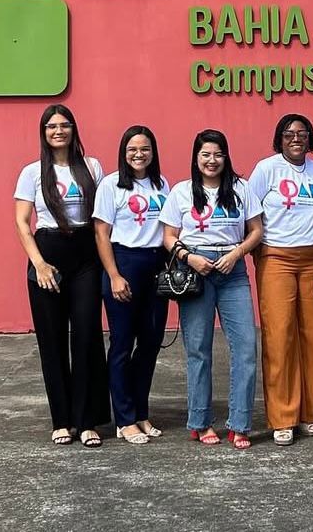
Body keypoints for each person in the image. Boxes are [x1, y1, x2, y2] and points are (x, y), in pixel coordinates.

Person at [159, 129, 265, 450]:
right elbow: (168, 236)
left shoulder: (241, 189)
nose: (212, 160)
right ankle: (200, 422)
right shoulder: (181, 192)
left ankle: (239, 424)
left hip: (233, 270)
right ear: (196, 158)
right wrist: (189, 258)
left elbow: (256, 231)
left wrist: (236, 254)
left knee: (245, 348)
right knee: (198, 350)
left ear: (226, 156)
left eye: (218, 154)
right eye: (205, 154)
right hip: (196, 271)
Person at [12, 104, 110, 447]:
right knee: (52, 341)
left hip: (85, 256)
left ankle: (86, 421)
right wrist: (39, 264)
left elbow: (102, 217)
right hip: (48, 254)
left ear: (73, 129)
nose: (58, 131)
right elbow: (22, 222)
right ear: (44, 132)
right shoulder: (31, 172)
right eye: (52, 126)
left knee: (86, 337)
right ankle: (62, 421)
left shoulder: (92, 167)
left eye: (64, 125)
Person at [248, 113, 313, 446]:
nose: (296, 138)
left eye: (302, 133)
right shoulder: (266, 169)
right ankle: (283, 416)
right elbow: (250, 212)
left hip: (312, 259)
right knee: (280, 336)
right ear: (279, 139)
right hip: (277, 258)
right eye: (288, 134)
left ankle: (312, 411)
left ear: (310, 138)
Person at [92, 125, 171, 445]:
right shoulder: (111, 185)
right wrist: (113, 275)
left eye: (145, 149)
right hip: (124, 263)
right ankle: (124, 419)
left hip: (156, 265)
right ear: (124, 153)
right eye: (132, 149)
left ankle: (140, 412)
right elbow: (101, 233)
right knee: (122, 345)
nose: (139, 154)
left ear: (153, 152)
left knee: (151, 343)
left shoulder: (161, 184)